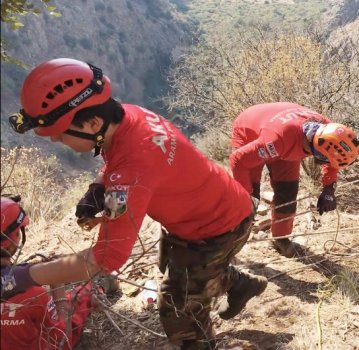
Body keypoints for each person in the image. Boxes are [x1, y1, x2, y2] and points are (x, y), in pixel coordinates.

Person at [4, 58, 267, 349]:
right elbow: (119, 162)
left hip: (216, 228)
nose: (54, 139)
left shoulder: (131, 172)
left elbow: (106, 257)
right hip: (214, 208)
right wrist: (96, 189)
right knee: (181, 266)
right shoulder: (129, 116)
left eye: (59, 131)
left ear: (93, 123)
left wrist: (21, 277)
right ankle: (240, 284)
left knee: (178, 309)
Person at [229, 103, 359, 257]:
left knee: (288, 192)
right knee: (248, 202)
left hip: (286, 138)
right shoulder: (278, 140)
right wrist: (247, 195)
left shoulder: (329, 131)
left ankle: (280, 239)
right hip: (249, 131)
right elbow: (238, 160)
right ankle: (227, 250)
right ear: (319, 154)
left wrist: (329, 189)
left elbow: (332, 161)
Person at [0, 195, 118, 349]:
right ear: (13, 240)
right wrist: (57, 285)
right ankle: (97, 287)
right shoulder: (34, 296)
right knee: (76, 299)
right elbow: (63, 339)